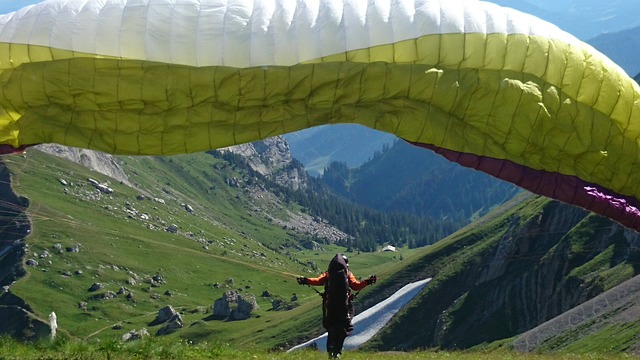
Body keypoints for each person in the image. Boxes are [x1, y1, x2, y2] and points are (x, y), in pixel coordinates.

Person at [297, 254, 377, 359]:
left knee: (331, 328)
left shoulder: (329, 274)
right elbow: (356, 286)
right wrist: (368, 281)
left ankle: (330, 351)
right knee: (344, 327)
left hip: (329, 306)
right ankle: (337, 352)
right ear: (346, 265)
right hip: (344, 306)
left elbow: (318, 281)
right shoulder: (348, 274)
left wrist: (305, 280)